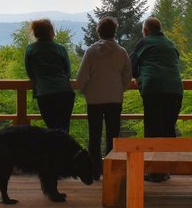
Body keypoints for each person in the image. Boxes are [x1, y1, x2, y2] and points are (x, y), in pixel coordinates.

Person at [75, 16, 131, 180]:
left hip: (94, 100)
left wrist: (87, 90)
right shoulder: (122, 52)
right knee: (113, 136)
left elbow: (81, 78)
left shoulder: (91, 51)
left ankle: (94, 172)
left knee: (94, 135)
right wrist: (120, 89)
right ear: (114, 32)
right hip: (115, 98)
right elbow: (128, 76)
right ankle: (112, 170)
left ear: (99, 31)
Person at [129, 17, 183, 183]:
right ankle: (166, 169)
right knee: (168, 128)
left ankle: (155, 172)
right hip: (175, 89)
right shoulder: (170, 44)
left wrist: (138, 76)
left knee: (153, 129)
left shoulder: (143, 43)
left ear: (145, 31)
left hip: (153, 88)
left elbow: (131, 64)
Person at [24, 19, 75, 133]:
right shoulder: (60, 49)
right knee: (64, 127)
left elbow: (30, 73)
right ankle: (65, 150)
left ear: (35, 33)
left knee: (52, 128)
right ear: (51, 32)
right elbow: (68, 72)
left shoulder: (31, 49)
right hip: (65, 91)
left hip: (44, 92)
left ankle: (54, 150)